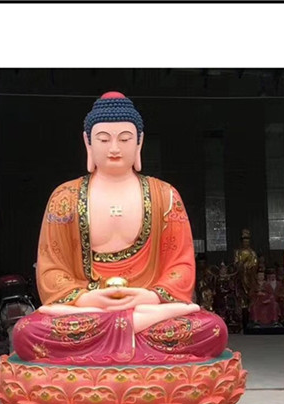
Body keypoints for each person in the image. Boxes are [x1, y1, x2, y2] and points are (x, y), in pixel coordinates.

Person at [12, 92, 228, 363]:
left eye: (124, 139)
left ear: (139, 142)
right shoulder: (65, 197)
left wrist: (149, 296)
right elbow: (51, 270)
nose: (114, 148)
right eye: (104, 139)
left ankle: (108, 345)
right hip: (90, 311)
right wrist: (89, 300)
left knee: (212, 330)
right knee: (27, 332)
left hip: (147, 308)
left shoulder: (165, 196)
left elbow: (181, 267)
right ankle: (133, 340)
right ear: (88, 142)